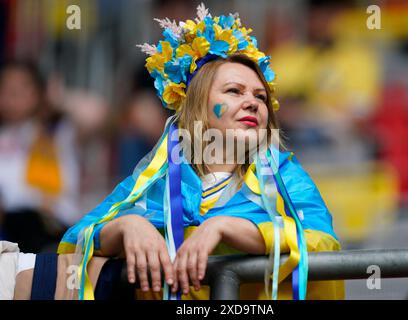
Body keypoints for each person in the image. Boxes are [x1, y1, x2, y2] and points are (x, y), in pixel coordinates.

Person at [57, 3, 344, 300]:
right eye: (234, 91)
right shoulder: (156, 180)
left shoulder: (285, 175)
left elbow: (321, 241)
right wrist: (129, 226)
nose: (253, 103)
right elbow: (75, 239)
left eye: (261, 96)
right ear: (198, 108)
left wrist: (225, 228)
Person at [0, 61, 81, 253]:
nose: (14, 95)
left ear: (39, 92)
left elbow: (97, 115)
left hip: (51, 225)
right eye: (6, 88)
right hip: (9, 226)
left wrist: (58, 100)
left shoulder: (59, 131)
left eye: (22, 87)